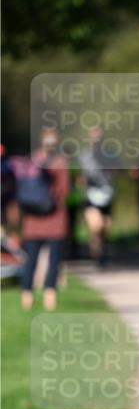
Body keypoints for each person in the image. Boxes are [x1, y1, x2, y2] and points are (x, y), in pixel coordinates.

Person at [14, 127, 70, 310]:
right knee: (54, 260)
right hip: (55, 219)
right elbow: (64, 191)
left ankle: (26, 295)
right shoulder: (61, 162)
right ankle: (50, 295)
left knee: (31, 259)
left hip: (32, 220)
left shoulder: (31, 161)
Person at [80, 125, 115, 267]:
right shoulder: (84, 155)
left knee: (105, 227)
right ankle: (95, 248)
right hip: (91, 194)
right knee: (97, 225)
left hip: (107, 194)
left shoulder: (111, 154)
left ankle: (100, 251)